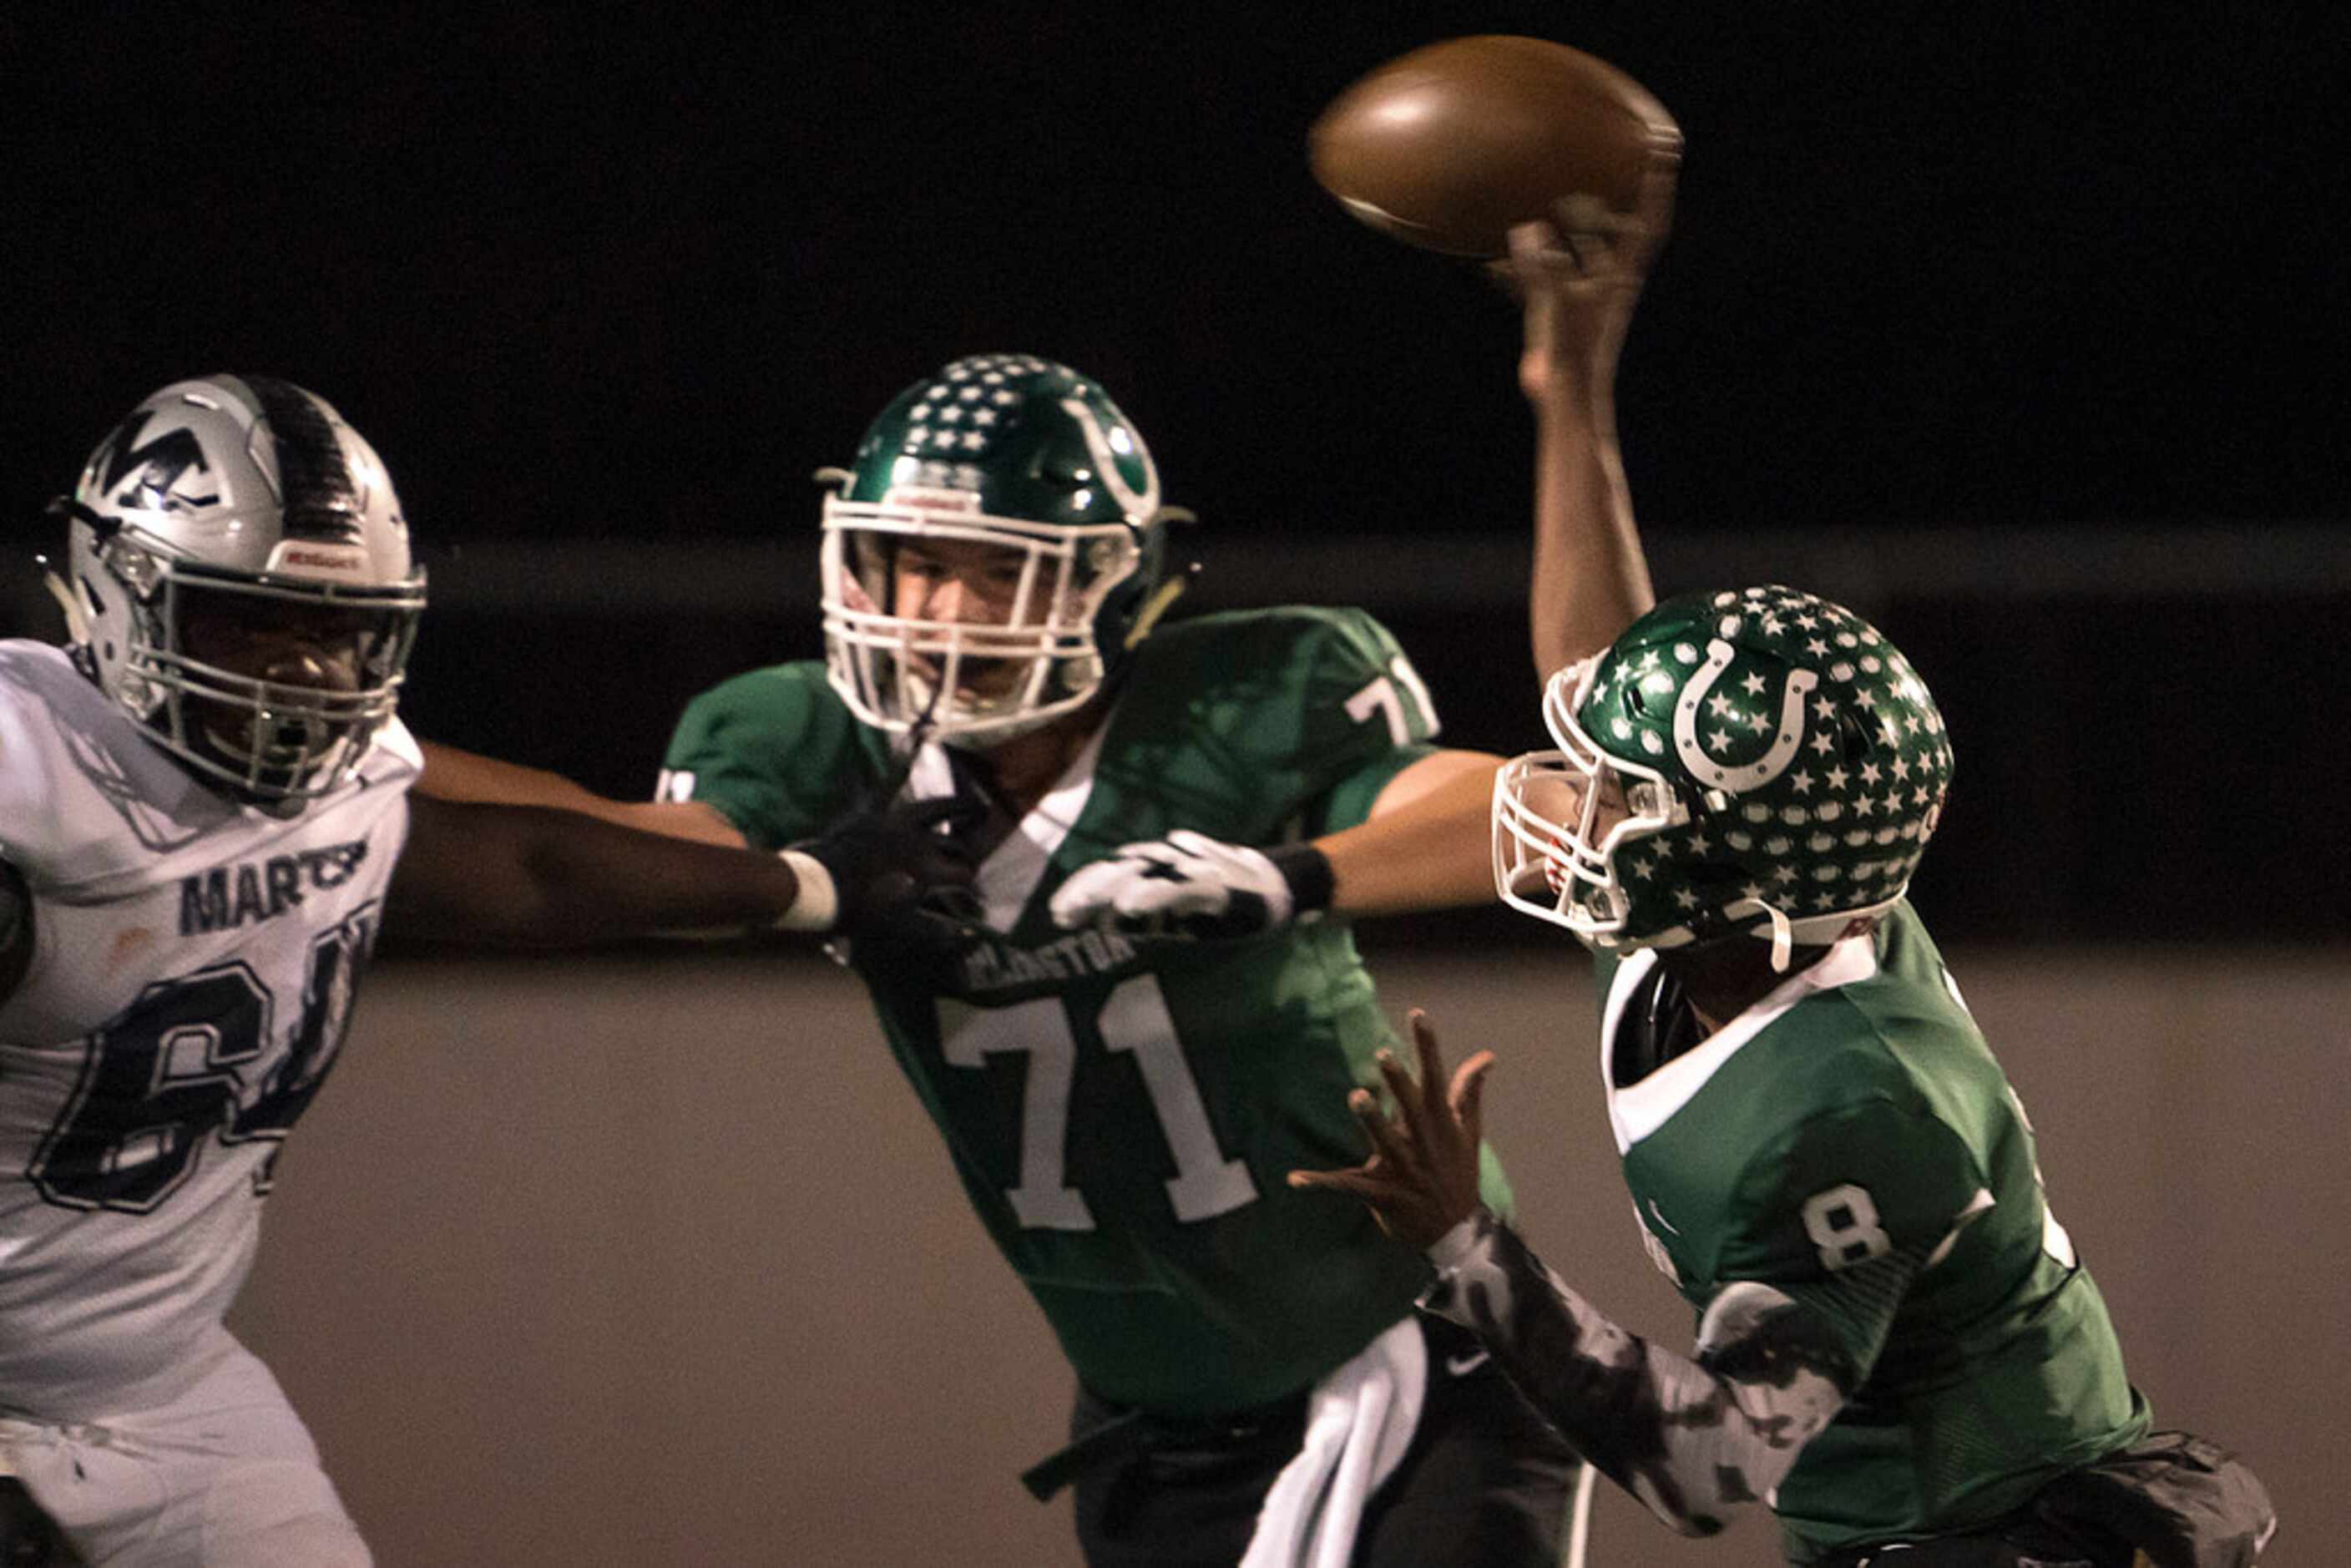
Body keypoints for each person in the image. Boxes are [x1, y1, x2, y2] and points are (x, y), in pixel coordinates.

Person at [421, 344, 1616, 1564]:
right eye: (917, 563)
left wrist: (1283, 876)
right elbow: (607, 844)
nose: (940, 613)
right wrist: (355, 756)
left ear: (1110, 580)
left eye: (996, 572)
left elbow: (1564, 811)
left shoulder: (1244, 704)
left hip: (1411, 1362)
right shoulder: (808, 742)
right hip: (1153, 1432)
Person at [1260, 220, 2280, 1564]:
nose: (1582, 802)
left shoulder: (1847, 1103)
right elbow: (1596, 664)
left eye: (1627, 795)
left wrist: (1464, 1240)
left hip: (2003, 1532)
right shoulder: (1743, 907)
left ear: (1733, 861)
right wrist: (1572, 394)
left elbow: (1706, 1461)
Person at [0, 375, 973, 1567]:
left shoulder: (339, 782)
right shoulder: (28, 784)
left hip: (168, 1389)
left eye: (334, 631)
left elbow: (536, 862)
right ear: (120, 592)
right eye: (251, 624)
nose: (300, 681)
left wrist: (813, 883)